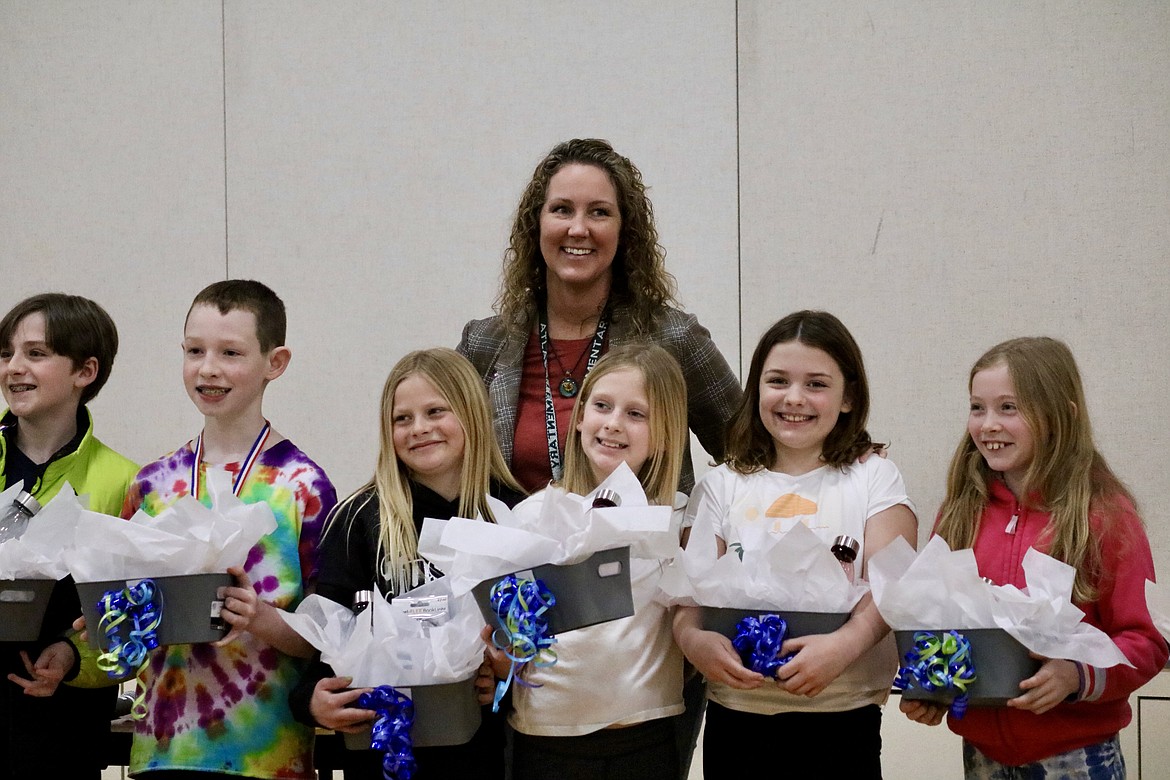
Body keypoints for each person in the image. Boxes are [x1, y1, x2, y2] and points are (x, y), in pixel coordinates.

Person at [899, 336, 1169, 778]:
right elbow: (939, 625)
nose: (988, 424)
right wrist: (932, 686)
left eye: (1009, 408)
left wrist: (1076, 675)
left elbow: (1146, 643)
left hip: (1078, 755)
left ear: (1064, 416)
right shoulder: (961, 510)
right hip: (982, 753)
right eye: (977, 407)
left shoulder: (1104, 515)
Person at [673, 310, 917, 779]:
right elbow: (688, 592)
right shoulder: (722, 485)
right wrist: (693, 640)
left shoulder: (873, 478)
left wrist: (847, 644)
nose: (795, 398)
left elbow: (895, 586)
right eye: (778, 380)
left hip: (842, 718)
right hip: (736, 718)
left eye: (817, 384)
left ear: (849, 398)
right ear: (756, 389)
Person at [120, 279, 337, 779]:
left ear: (275, 364)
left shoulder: (303, 486)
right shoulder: (152, 484)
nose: (208, 368)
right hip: (162, 747)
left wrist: (259, 617)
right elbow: (129, 631)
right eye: (194, 351)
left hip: (266, 753)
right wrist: (113, 620)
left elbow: (329, 636)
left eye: (231, 352)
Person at [287, 347, 524, 779]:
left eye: (436, 411)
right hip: (379, 756)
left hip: (482, 754)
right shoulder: (359, 518)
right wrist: (311, 701)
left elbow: (537, 646)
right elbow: (329, 635)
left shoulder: (512, 514)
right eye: (402, 419)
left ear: (471, 414)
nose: (419, 429)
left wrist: (504, 683)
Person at [457, 137, 741, 495]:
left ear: (625, 232)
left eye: (599, 212)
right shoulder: (484, 344)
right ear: (536, 224)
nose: (578, 229)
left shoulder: (673, 337)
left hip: (640, 550)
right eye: (561, 209)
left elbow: (750, 453)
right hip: (510, 549)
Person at [488, 343, 689, 780]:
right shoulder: (532, 515)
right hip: (546, 738)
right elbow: (504, 636)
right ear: (579, 417)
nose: (614, 423)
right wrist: (503, 657)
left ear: (667, 434)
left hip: (646, 736)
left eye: (636, 414)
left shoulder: (678, 519)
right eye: (602, 406)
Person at [0, 292, 139, 780]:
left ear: (86, 371)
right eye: (6, 353)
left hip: (63, 720)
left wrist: (74, 657)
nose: (14, 367)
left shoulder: (125, 481)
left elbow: (132, 616)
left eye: (35, 354)